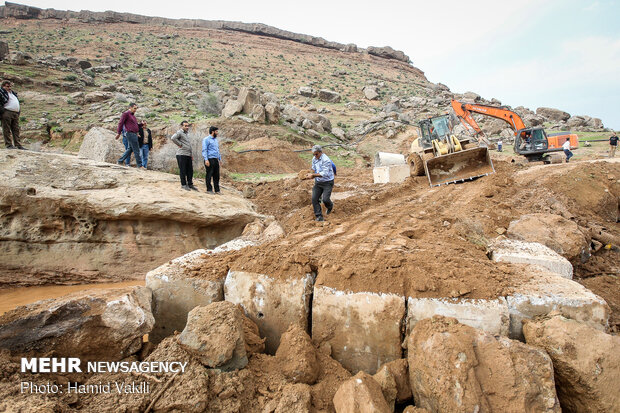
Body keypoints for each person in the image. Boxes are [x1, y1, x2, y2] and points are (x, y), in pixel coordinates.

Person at [305, 145, 334, 222]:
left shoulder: (326, 160)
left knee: (325, 199)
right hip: (318, 182)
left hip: (327, 182)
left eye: (316, 154)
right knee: (314, 198)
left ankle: (330, 206)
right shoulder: (314, 159)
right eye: (313, 154)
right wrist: (308, 174)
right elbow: (313, 169)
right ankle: (319, 217)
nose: (315, 156)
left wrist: (313, 175)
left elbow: (324, 173)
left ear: (321, 152)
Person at [171, 121, 197, 191]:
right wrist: (180, 144)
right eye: (185, 126)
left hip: (188, 154)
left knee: (190, 170)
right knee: (183, 170)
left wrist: (191, 155)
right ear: (181, 126)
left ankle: (190, 184)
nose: (187, 127)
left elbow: (188, 145)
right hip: (181, 154)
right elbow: (173, 138)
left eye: (188, 126)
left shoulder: (187, 134)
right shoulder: (180, 132)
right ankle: (183, 184)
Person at [115, 103, 143, 168]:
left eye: (136, 108)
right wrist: (118, 133)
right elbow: (120, 123)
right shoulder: (126, 114)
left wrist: (141, 124)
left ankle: (120, 161)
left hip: (134, 134)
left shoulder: (133, 116)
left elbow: (136, 126)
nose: (135, 110)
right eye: (134, 108)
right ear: (130, 107)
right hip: (130, 133)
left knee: (130, 149)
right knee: (136, 149)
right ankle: (140, 165)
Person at [1, 80, 24, 149]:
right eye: (7, 86)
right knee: (6, 129)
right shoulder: (1, 93)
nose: (9, 88)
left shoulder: (13, 93)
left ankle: (18, 145)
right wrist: (2, 111)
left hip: (15, 113)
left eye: (10, 86)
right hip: (7, 112)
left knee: (16, 129)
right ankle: (8, 145)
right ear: (3, 86)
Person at [202, 126, 222, 194]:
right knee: (209, 174)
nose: (217, 133)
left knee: (217, 175)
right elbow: (204, 150)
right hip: (209, 159)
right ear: (213, 132)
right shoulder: (206, 139)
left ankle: (217, 190)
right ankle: (209, 189)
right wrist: (206, 160)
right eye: (216, 131)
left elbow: (217, 150)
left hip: (215, 159)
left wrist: (219, 159)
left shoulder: (216, 140)